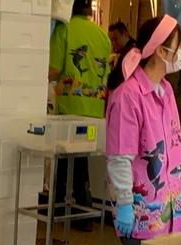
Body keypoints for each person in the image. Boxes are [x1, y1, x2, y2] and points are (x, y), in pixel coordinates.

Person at [105, 15, 181, 245]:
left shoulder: (166, 90)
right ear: (161, 51)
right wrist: (124, 203)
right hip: (142, 214)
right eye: (178, 46)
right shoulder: (128, 95)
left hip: (173, 210)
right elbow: (120, 155)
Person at [48, 0, 111, 231]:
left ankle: (64, 211)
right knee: (80, 159)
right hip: (95, 109)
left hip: (70, 107)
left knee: (64, 158)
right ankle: (83, 213)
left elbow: (54, 68)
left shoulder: (64, 29)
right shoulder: (102, 35)